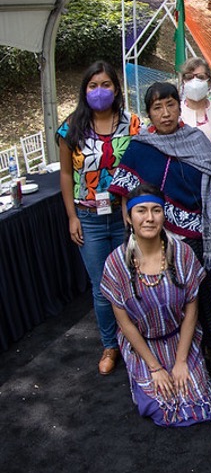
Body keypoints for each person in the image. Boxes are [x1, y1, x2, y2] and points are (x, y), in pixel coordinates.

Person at [110, 81, 211, 368]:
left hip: (197, 235)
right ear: (149, 113)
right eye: (157, 107)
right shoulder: (141, 147)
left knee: (201, 293)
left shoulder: (197, 140)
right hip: (155, 237)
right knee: (166, 293)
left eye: (170, 105)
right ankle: (177, 352)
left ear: (180, 107)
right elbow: (124, 192)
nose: (165, 113)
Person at [99, 184, 211, 426]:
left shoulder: (182, 253)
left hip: (181, 339)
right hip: (143, 346)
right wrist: (155, 368)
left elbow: (192, 310)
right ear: (128, 217)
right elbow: (124, 322)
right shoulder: (116, 262)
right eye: (141, 211)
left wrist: (181, 362)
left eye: (156, 210)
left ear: (163, 215)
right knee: (159, 407)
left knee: (199, 403)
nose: (149, 218)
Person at [57, 60, 141, 375]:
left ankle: (139, 337)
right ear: (85, 90)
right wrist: (71, 216)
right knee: (103, 286)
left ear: (116, 89)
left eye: (106, 84)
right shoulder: (70, 128)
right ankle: (110, 344)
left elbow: (141, 168)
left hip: (126, 216)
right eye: (93, 85)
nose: (100, 91)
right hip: (88, 218)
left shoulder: (132, 125)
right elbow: (66, 175)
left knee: (134, 279)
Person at [179, 57, 211, 140]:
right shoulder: (177, 113)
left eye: (200, 77)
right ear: (183, 81)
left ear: (209, 82)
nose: (194, 82)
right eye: (189, 77)